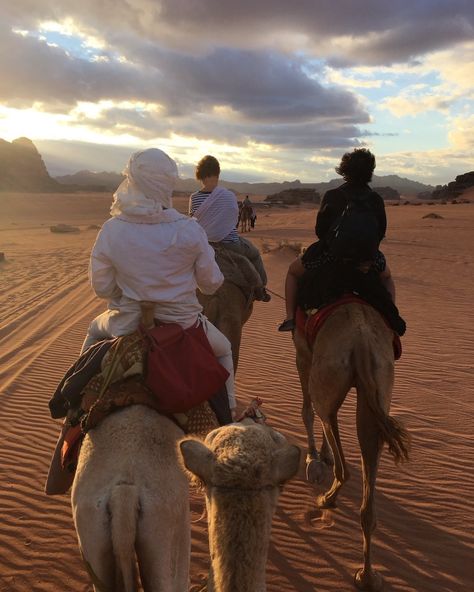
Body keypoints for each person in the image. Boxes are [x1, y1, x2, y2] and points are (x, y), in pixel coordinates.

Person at [81, 148, 237, 411]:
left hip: (125, 323)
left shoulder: (111, 230)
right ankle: (230, 412)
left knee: (93, 332)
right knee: (224, 351)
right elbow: (211, 284)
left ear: (132, 180)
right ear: (168, 183)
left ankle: (71, 415)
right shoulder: (190, 229)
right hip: (184, 326)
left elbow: (102, 288)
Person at [278, 148, 400, 333]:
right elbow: (380, 232)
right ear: (370, 171)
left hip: (331, 257)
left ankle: (290, 319)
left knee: (293, 273)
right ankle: (390, 321)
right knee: (387, 277)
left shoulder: (333, 196)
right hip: (367, 260)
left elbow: (321, 232)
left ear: (344, 170)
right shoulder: (375, 199)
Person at [189, 155, 270, 301]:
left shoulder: (194, 198)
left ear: (200, 175)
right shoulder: (229, 195)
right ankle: (260, 289)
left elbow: (193, 222)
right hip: (231, 244)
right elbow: (233, 218)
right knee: (255, 254)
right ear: (218, 173)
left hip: (204, 245)